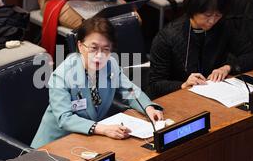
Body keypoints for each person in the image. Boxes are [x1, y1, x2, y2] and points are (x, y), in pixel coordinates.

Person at [31, 17, 163, 149]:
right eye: (93, 48)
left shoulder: (111, 64)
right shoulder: (61, 75)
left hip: (89, 142)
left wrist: (148, 108)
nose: (99, 55)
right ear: (80, 46)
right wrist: (103, 129)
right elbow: (65, 118)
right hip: (54, 146)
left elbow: (129, 91)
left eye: (106, 49)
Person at [148, 0, 253, 98]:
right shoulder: (167, 37)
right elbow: (154, 85)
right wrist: (183, 84)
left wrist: (228, 67)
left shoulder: (223, 26)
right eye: (207, 15)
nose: (212, 21)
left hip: (216, 93)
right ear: (193, 9)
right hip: (182, 99)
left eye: (218, 15)